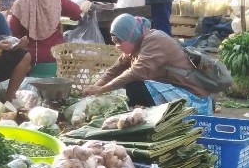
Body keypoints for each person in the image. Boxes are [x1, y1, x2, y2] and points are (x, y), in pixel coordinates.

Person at [82, 13, 212, 114]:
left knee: (135, 87)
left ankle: (151, 120)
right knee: (128, 85)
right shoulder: (137, 41)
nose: (117, 46)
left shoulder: (154, 40)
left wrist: (103, 89)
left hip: (195, 100)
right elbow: (116, 68)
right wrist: (96, 87)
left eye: (118, 41)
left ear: (129, 35)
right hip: (176, 90)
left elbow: (137, 72)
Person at [7, 0, 81, 73]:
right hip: (56, 57)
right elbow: (76, 11)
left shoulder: (19, 4)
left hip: (30, 62)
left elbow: (11, 33)